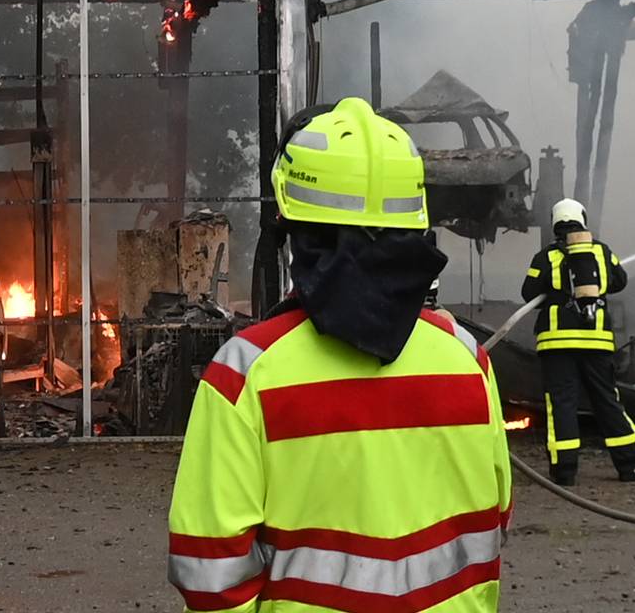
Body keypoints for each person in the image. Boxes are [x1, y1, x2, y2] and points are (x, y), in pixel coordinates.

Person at [167, 98, 513, 613]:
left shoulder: (246, 375)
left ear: (292, 226)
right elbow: (494, 519)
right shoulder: (467, 360)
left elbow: (210, 574)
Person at [520, 198, 635, 485]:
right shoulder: (602, 252)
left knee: (562, 404)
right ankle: (629, 465)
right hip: (596, 342)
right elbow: (620, 280)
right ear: (582, 219)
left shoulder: (545, 257)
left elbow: (528, 292)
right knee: (606, 400)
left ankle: (564, 471)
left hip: (557, 345)